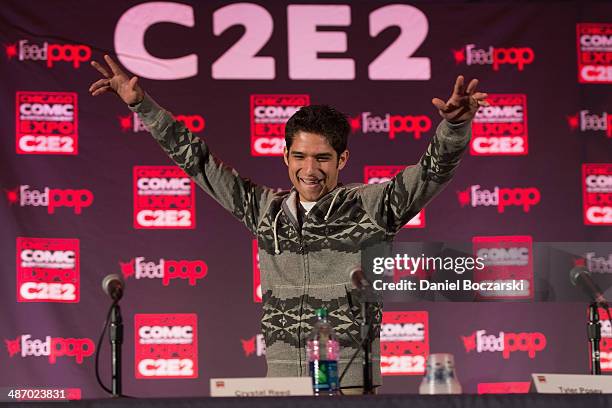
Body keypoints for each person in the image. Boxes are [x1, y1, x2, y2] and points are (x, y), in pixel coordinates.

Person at [89, 55, 488, 393]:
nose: (309, 170)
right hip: (280, 387)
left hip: (351, 386)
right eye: (299, 156)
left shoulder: (370, 206)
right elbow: (197, 161)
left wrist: (454, 127)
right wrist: (142, 106)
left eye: (322, 158)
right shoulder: (266, 211)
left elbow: (432, 172)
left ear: (343, 159)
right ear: (285, 155)